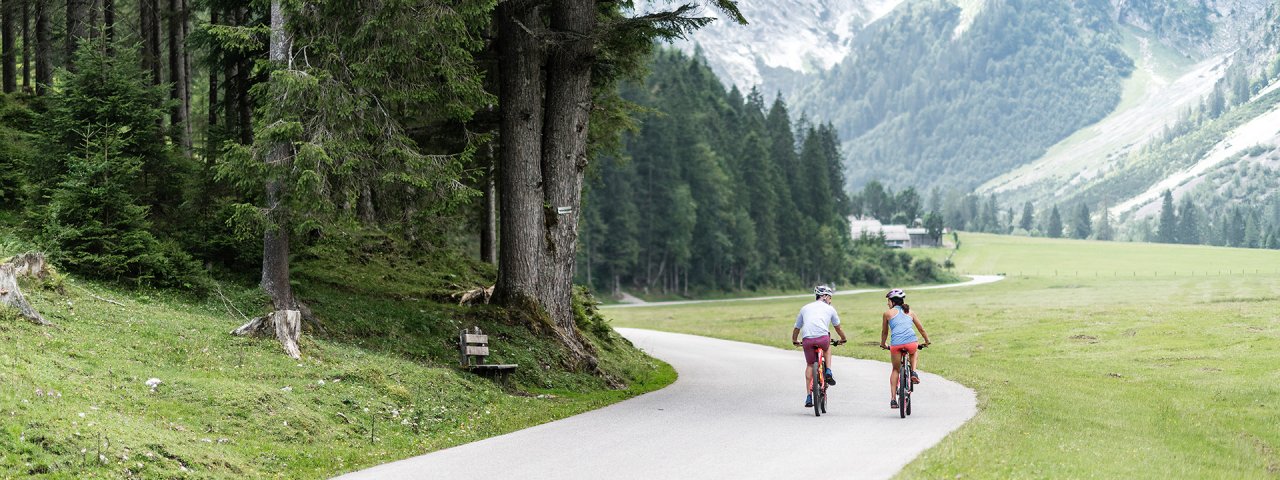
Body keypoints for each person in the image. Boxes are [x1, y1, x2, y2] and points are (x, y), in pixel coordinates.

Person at [792, 285, 848, 408]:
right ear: (825, 296)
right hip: (823, 339)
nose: (830, 301)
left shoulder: (805, 308)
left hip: (807, 340)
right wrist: (843, 339)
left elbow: (797, 328)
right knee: (827, 347)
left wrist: (794, 340)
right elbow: (838, 328)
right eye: (830, 298)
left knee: (810, 365)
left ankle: (808, 396)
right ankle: (828, 371)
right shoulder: (830, 309)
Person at [880, 288, 931, 409]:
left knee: (895, 370)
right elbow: (921, 329)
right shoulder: (911, 312)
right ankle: (913, 371)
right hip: (911, 343)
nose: (887, 304)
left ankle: (893, 399)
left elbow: (884, 332)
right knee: (914, 351)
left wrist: (883, 344)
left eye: (888, 301)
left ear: (893, 301)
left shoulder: (887, 314)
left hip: (896, 345)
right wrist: (927, 341)